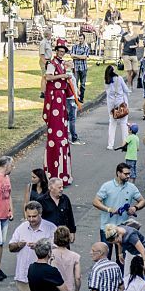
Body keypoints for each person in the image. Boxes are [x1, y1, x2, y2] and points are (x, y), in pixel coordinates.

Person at [92, 163, 145, 266]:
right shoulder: (107, 186)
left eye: (129, 174)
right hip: (107, 229)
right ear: (118, 173)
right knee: (104, 258)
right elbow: (96, 202)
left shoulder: (131, 187)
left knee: (122, 259)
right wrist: (108, 209)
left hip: (123, 229)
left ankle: (121, 281)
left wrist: (135, 208)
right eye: (126, 174)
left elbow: (142, 201)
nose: (128, 176)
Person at [44, 39, 73, 186]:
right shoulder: (52, 64)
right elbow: (48, 77)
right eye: (60, 51)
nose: (61, 53)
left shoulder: (62, 64)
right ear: (56, 51)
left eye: (63, 51)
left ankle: (62, 172)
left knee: (62, 133)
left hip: (61, 100)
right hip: (55, 99)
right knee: (56, 134)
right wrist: (61, 77)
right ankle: (54, 171)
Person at [105, 65, 129, 150]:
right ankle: (125, 143)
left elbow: (107, 93)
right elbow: (126, 89)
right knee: (123, 123)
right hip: (121, 103)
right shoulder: (119, 78)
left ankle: (110, 144)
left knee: (112, 123)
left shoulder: (107, 81)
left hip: (111, 105)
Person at [71, 33, 90, 104]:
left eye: (81, 38)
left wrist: (76, 56)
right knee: (75, 83)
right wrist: (80, 56)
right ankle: (76, 97)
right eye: (79, 38)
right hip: (75, 67)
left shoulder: (86, 47)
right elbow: (72, 56)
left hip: (83, 68)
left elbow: (85, 57)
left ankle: (81, 97)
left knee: (82, 84)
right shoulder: (74, 47)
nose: (80, 40)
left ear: (84, 39)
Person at [121, 22, 140, 88]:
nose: (129, 28)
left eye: (130, 26)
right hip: (126, 54)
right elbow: (121, 44)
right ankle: (129, 86)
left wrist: (135, 46)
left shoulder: (136, 35)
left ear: (132, 27)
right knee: (129, 71)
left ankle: (131, 79)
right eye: (128, 26)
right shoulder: (124, 35)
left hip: (133, 54)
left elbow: (138, 45)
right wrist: (120, 53)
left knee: (135, 71)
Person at [39, 29, 53, 98]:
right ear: (48, 35)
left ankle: (46, 90)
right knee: (44, 76)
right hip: (45, 61)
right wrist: (45, 63)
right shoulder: (43, 43)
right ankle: (43, 92)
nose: (51, 36)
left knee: (47, 76)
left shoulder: (48, 42)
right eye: (50, 34)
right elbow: (42, 54)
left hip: (48, 60)